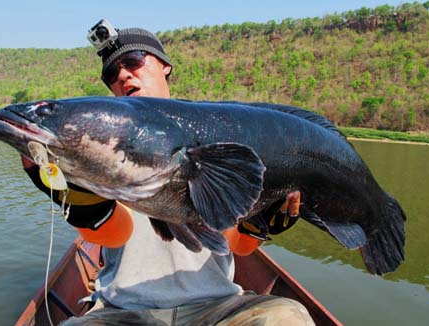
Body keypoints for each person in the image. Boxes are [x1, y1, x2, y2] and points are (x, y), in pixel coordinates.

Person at [22, 26, 315, 325]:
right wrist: (78, 199)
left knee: (288, 317)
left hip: (216, 307)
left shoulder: (216, 133)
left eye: (133, 61)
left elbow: (236, 245)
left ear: (165, 65)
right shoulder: (104, 151)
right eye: (111, 74)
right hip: (124, 311)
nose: (122, 76)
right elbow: (113, 234)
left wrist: (259, 223)